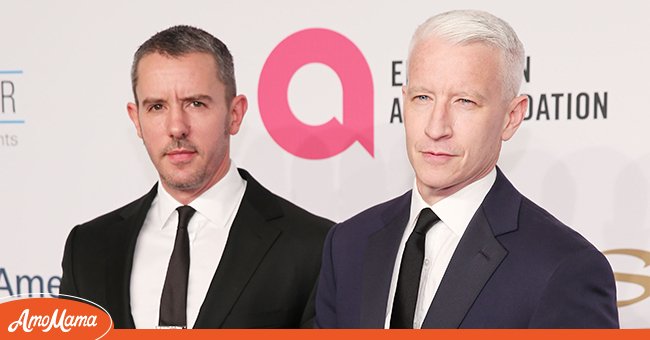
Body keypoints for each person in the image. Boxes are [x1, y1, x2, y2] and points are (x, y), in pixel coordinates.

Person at [315, 10, 619, 328]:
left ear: (511, 117)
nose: (436, 127)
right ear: (403, 101)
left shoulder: (564, 267)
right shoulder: (348, 244)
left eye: (464, 102)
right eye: (422, 97)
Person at [60, 25, 333, 329]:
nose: (176, 127)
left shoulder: (314, 247)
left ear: (235, 114)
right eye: (157, 107)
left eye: (195, 103)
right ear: (136, 120)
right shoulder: (87, 249)